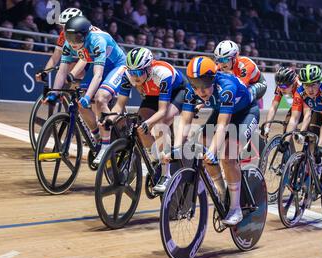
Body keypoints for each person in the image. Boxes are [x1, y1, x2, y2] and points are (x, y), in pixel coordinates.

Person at [167, 56, 260, 226]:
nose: (201, 91)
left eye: (204, 86)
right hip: (221, 111)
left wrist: (213, 151)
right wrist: (177, 147)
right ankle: (222, 192)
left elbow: (223, 125)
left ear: (212, 78)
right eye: (196, 86)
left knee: (227, 156)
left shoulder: (226, 87)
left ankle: (235, 208)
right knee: (203, 149)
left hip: (246, 112)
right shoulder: (191, 89)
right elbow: (185, 120)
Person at [44, 16, 127, 164]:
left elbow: (98, 75)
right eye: (69, 37)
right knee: (78, 102)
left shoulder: (97, 40)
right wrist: (54, 94)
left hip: (116, 66)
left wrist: (89, 97)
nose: (73, 42)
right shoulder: (70, 44)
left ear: (85, 34)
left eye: (76, 37)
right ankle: (97, 137)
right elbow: (62, 72)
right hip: (97, 64)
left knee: (100, 98)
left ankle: (105, 147)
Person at [115, 47, 186, 192]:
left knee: (161, 124)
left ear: (149, 67)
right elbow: (119, 105)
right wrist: (109, 117)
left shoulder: (162, 73)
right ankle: (155, 160)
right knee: (140, 127)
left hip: (177, 92)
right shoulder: (127, 74)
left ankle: (166, 175)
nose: (135, 76)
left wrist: (149, 123)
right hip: (153, 95)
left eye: (139, 72)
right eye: (132, 72)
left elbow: (162, 111)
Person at [35, 8, 83, 82]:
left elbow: (84, 60)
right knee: (63, 73)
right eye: (63, 26)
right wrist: (45, 73)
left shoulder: (85, 34)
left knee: (70, 72)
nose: (64, 30)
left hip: (94, 61)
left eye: (67, 26)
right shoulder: (63, 35)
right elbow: (55, 57)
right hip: (82, 60)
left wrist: (71, 74)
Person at [261, 66, 301, 138]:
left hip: (310, 106)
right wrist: (267, 128)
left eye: (284, 87)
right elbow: (273, 107)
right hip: (298, 104)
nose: (282, 89)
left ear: (293, 83)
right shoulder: (281, 86)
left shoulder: (299, 87)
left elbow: (307, 112)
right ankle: (287, 148)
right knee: (287, 129)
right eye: (279, 86)